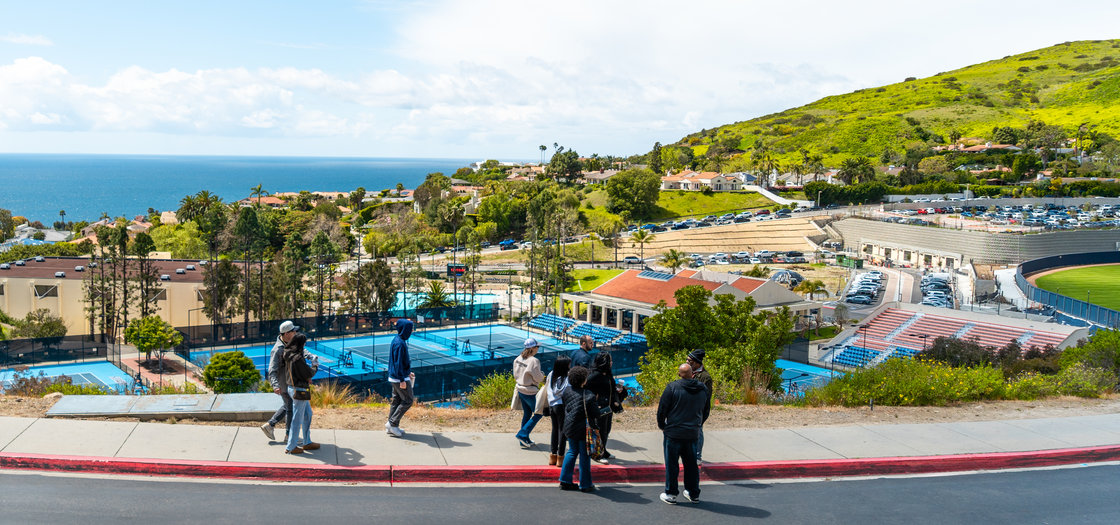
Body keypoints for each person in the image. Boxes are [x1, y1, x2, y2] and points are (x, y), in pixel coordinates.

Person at [657, 363, 711, 504]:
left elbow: (662, 409)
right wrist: (697, 425)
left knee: (672, 465)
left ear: (679, 373)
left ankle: (671, 493)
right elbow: (706, 411)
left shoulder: (672, 388)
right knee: (691, 465)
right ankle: (693, 493)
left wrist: (663, 426)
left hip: (673, 433)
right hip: (692, 433)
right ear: (692, 374)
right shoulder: (702, 389)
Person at [559, 365, 597, 493]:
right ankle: (585, 484)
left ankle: (565, 481)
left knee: (571, 452)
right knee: (585, 456)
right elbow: (595, 413)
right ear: (583, 380)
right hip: (583, 430)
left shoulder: (567, 391)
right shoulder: (589, 395)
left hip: (569, 427)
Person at [261, 320, 300, 441]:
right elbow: (272, 370)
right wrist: (275, 385)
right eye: (293, 331)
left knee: (288, 406)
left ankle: (270, 425)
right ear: (287, 333)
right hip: (284, 384)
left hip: (289, 383)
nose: (295, 333)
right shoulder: (278, 349)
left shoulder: (288, 344)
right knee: (290, 408)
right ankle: (288, 435)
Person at [283, 333, 320, 454]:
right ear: (300, 344)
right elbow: (308, 373)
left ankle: (307, 442)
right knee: (297, 419)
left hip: (292, 387)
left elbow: (297, 372)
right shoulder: (297, 358)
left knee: (308, 414)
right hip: (299, 390)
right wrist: (315, 366)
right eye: (304, 343)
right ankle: (291, 446)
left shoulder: (288, 353)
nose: (304, 345)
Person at [584, 351, 616, 463]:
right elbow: (585, 388)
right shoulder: (595, 375)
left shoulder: (607, 374)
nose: (612, 363)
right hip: (599, 407)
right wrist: (594, 397)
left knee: (606, 430)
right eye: (610, 361)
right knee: (600, 430)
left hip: (608, 406)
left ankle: (604, 450)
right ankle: (598, 453)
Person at [513, 338, 546, 448]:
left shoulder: (518, 358)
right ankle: (522, 434)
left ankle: (524, 438)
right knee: (538, 413)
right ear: (532, 348)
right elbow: (538, 378)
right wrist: (542, 375)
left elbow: (515, 374)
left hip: (520, 389)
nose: (538, 349)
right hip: (530, 391)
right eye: (537, 347)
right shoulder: (534, 361)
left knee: (527, 414)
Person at [386, 318, 414, 438]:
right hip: (398, 378)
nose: (411, 331)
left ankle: (390, 425)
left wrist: (407, 373)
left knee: (396, 400)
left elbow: (400, 363)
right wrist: (402, 379)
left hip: (395, 377)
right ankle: (393, 424)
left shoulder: (397, 340)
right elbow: (397, 363)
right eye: (410, 329)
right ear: (404, 329)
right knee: (408, 400)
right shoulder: (400, 344)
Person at [544, 356, 571, 466]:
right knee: (562, 432)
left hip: (552, 405)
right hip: (561, 405)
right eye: (569, 364)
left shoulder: (551, 374)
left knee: (555, 430)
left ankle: (553, 456)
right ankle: (560, 457)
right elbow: (567, 391)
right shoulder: (567, 377)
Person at [687, 349, 713, 462]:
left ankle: (697, 456)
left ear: (697, 362)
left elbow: (706, 397)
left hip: (697, 410)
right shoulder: (688, 372)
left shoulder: (705, 377)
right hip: (686, 408)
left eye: (690, 361)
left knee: (698, 431)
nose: (687, 363)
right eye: (687, 361)